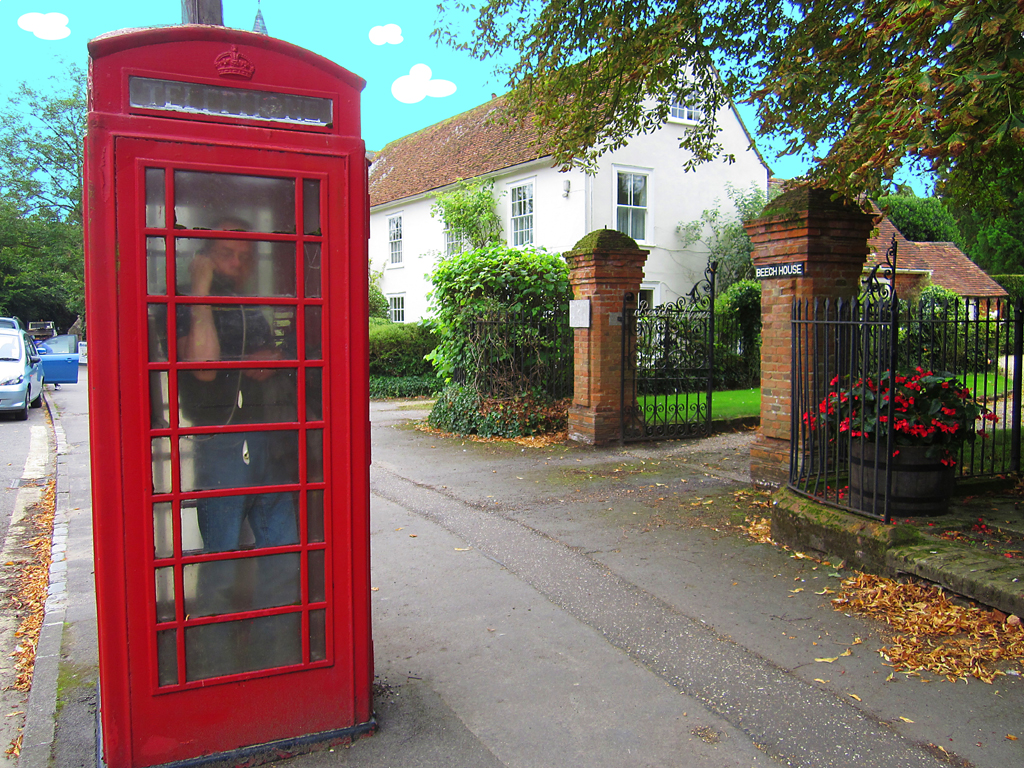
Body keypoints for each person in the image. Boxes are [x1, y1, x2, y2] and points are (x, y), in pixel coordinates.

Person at [176, 218, 300, 679]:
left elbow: (269, 366)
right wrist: (201, 289)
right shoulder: (187, 306)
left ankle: (276, 658)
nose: (239, 264)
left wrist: (249, 361)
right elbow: (206, 368)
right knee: (223, 559)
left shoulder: (249, 309)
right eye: (228, 254)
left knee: (283, 551)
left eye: (246, 256)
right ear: (205, 258)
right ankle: (214, 665)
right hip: (221, 447)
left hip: (267, 439)